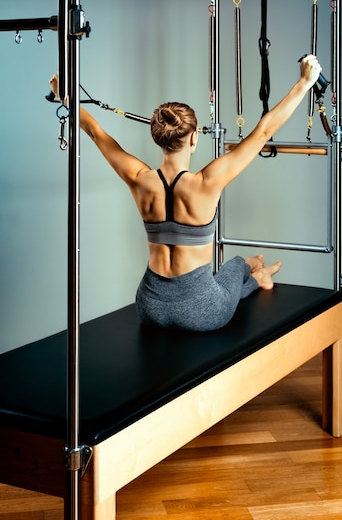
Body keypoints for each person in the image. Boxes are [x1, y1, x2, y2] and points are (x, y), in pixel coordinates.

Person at [49, 55, 321, 331]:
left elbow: (95, 132)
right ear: (193, 137)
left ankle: (256, 274)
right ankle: (255, 275)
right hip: (203, 312)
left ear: (158, 138)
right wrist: (305, 81)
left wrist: (65, 96)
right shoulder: (207, 182)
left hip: (149, 306)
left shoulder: (139, 179)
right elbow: (263, 133)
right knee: (235, 265)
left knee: (224, 279)